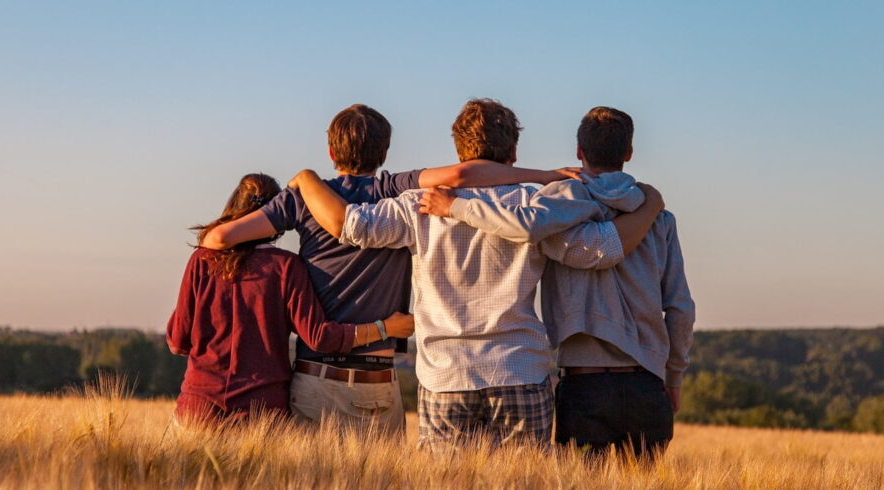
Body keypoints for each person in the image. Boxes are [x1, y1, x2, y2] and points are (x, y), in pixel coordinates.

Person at [289, 98, 665, 450]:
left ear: (458, 151)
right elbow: (599, 250)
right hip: (519, 369)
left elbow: (350, 226)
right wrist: (650, 207)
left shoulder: (417, 205)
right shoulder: (535, 206)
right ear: (513, 153)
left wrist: (307, 179)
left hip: (445, 376)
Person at [198, 104, 584, 434]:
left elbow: (217, 240)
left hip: (317, 376)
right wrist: (545, 176)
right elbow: (463, 175)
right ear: (384, 152)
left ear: (330, 150)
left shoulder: (302, 199)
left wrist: (301, 185)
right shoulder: (394, 189)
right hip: (379, 380)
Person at [419, 106, 695, 459]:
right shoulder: (659, 217)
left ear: (579, 152)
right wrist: (673, 377)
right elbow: (681, 308)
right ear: (628, 153)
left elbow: (526, 226)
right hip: (647, 383)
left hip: (584, 385)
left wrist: (456, 207)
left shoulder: (555, 207)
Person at [166, 173, 414, 427]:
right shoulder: (286, 267)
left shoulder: (202, 260)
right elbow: (319, 337)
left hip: (198, 408)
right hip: (262, 413)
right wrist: (386, 328)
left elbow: (178, 341)